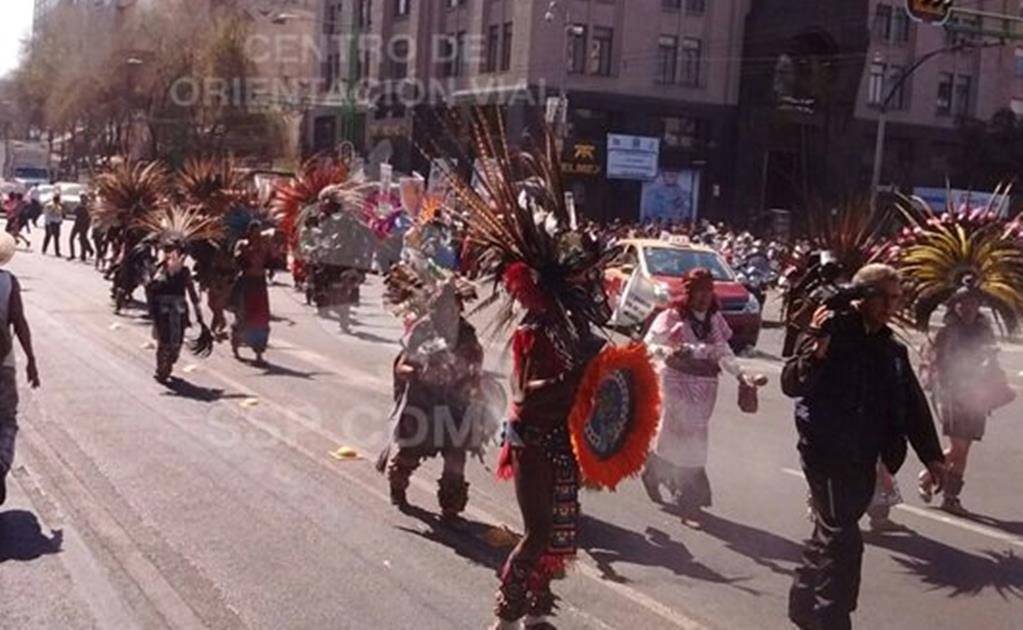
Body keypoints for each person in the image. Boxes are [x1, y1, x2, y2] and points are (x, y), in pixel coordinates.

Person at [782, 264, 946, 630]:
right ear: (862, 297)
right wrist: (816, 349)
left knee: (830, 529)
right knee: (844, 538)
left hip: (866, 457)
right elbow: (792, 383)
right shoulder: (829, 330)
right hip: (825, 453)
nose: (891, 305)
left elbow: (912, 405)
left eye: (896, 297)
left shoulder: (891, 349)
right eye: (883, 297)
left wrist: (932, 456)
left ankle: (803, 604)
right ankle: (831, 620)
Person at [642, 268, 764, 523]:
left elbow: (724, 352)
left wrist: (742, 375)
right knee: (678, 437)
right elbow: (650, 345)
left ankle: (654, 472)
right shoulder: (672, 316)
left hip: (706, 386)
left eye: (708, 292)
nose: (703, 298)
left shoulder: (715, 320)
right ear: (688, 293)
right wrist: (671, 352)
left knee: (694, 436)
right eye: (699, 292)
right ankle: (688, 499)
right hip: (676, 382)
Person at [381, 283, 484, 519]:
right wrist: (419, 372)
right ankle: (398, 489)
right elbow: (402, 365)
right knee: (409, 455)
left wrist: (472, 390)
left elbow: (476, 371)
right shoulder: (423, 329)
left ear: (459, 307)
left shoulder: (468, 334)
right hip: (422, 405)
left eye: (452, 307)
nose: (447, 313)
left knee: (456, 459)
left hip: (455, 407)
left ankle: (451, 509)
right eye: (441, 308)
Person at [917, 282, 1005, 515]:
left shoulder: (983, 329)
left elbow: (989, 358)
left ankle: (951, 498)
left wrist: (989, 361)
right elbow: (935, 365)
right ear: (954, 305)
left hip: (976, 391)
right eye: (963, 302)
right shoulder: (946, 332)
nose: (968, 306)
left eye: (973, 302)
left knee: (964, 450)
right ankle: (928, 473)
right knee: (957, 446)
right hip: (951, 393)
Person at [0, 233, 41, 505]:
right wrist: (31, 360)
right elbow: (19, 322)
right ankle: (1, 465)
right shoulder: (8, 282)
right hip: (2, 362)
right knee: (6, 419)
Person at [147, 240, 206, 383]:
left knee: (176, 341)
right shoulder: (157, 269)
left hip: (179, 309)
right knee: (164, 340)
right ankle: (162, 369)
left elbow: (191, 292)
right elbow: (150, 290)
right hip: (162, 310)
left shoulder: (184, 271)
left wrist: (198, 313)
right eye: (168, 251)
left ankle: (169, 361)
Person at [230, 221, 273, 365]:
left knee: (261, 320)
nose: (257, 234)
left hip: (260, 283)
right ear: (249, 232)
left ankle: (259, 354)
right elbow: (237, 258)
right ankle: (235, 349)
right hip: (246, 284)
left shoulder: (265, 245)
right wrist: (247, 252)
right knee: (242, 317)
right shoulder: (242, 244)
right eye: (255, 231)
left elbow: (272, 260)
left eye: (259, 231)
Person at [68, 194, 94, 261]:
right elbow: (74, 212)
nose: (82, 200)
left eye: (83, 198)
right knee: (72, 239)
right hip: (77, 224)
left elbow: (90, 216)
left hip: (84, 225)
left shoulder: (87, 207)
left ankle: (83, 255)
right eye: (81, 198)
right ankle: (73, 254)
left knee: (82, 239)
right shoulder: (80, 206)